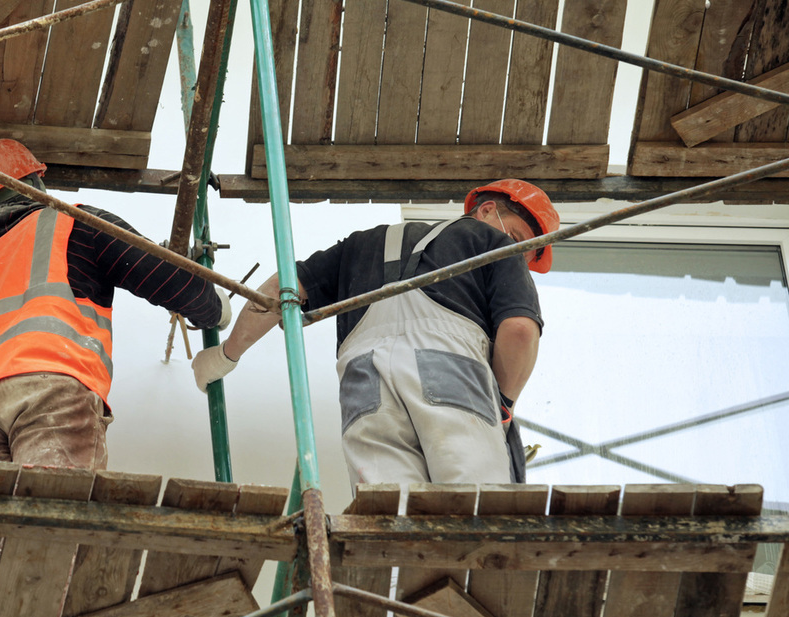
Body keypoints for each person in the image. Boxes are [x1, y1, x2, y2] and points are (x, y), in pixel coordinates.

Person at [192, 179, 558, 486]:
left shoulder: (360, 244)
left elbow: (277, 291)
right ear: (488, 210)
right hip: (450, 369)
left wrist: (225, 356)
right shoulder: (496, 246)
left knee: (388, 517)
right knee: (471, 510)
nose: (520, 257)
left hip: (363, 376)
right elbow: (521, 332)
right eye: (519, 240)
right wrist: (504, 404)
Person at [0, 139, 230, 468]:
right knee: (54, 510)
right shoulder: (70, 224)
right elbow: (163, 276)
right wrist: (213, 308)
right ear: (34, 181)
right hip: (45, 388)